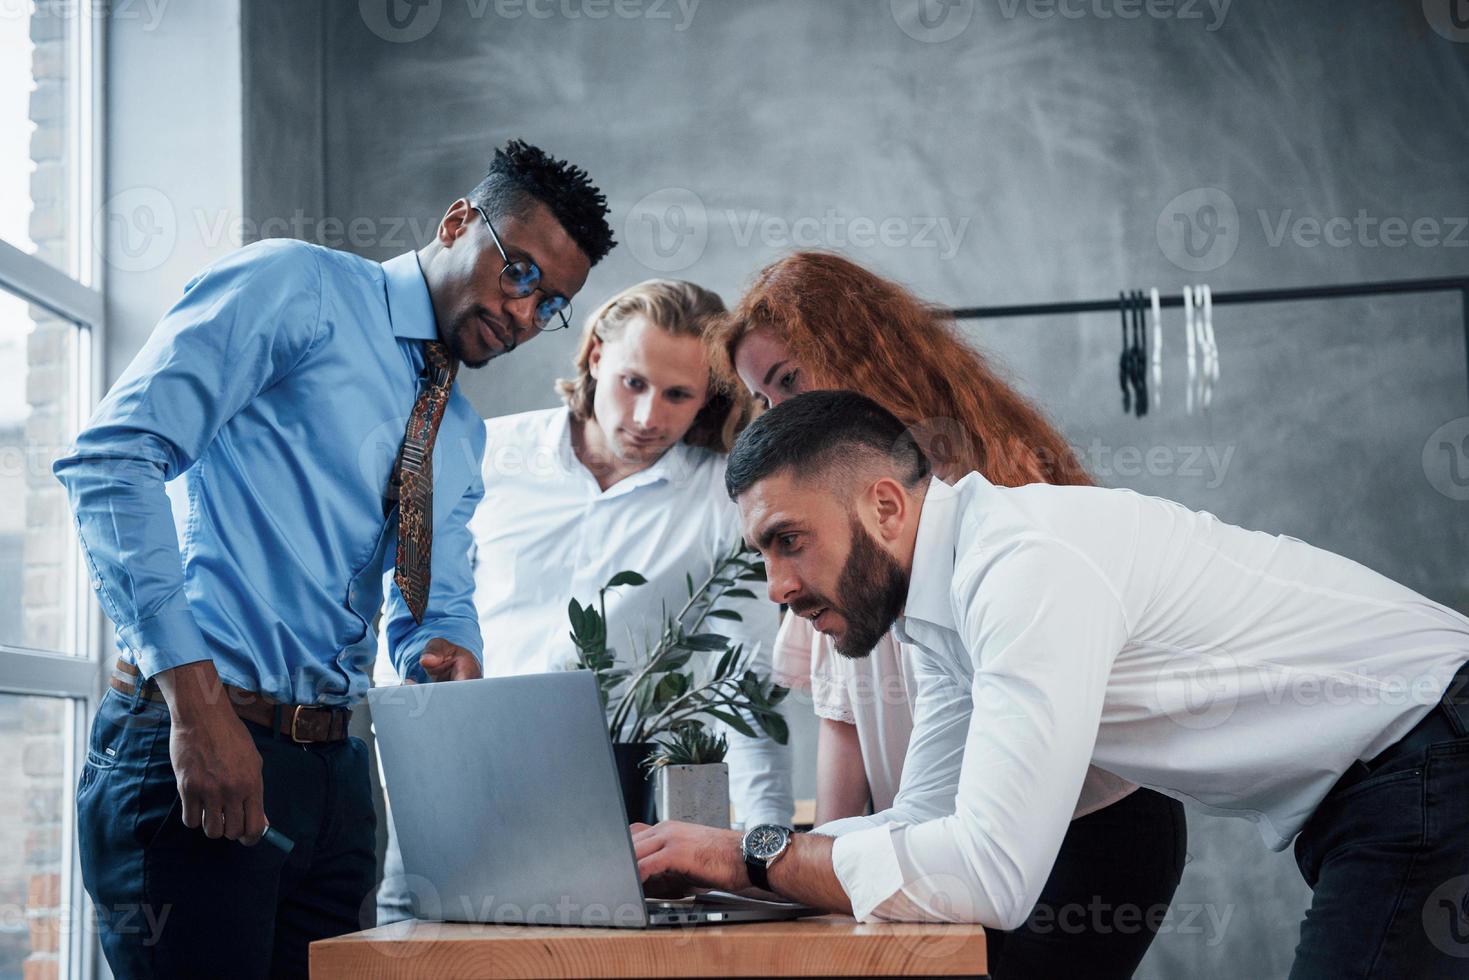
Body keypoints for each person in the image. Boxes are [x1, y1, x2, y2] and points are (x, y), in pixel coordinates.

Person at [634, 390, 1469, 979]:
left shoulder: (1023, 568)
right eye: (763, 555)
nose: (776, 586)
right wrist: (724, 862)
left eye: (789, 540)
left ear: (884, 506)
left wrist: (746, 855)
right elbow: (927, 821)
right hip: (1395, 771)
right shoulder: (945, 602)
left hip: (1428, 743)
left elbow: (988, 876)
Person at [54, 140, 615, 979]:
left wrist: (440, 651)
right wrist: (198, 707)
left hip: (336, 781)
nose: (527, 314)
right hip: (198, 739)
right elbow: (112, 460)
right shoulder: (294, 288)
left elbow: (432, 606)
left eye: (553, 304)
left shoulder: (457, 434)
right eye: (521, 274)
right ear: (458, 221)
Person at [707, 251, 1180, 977]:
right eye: (764, 401)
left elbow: (994, 838)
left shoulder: (996, 510)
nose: (783, 414)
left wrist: (781, 864)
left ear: (857, 351)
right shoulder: (820, 530)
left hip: (1070, 827)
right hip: (930, 833)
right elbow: (843, 718)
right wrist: (822, 884)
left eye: (789, 381)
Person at [374, 279, 793, 923]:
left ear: (709, 395)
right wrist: (405, 771)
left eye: (679, 394)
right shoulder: (484, 453)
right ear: (596, 355)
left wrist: (769, 856)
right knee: (408, 964)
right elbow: (408, 610)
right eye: (634, 382)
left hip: (614, 810)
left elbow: (751, 685)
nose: (649, 416)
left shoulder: (722, 499)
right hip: (454, 790)